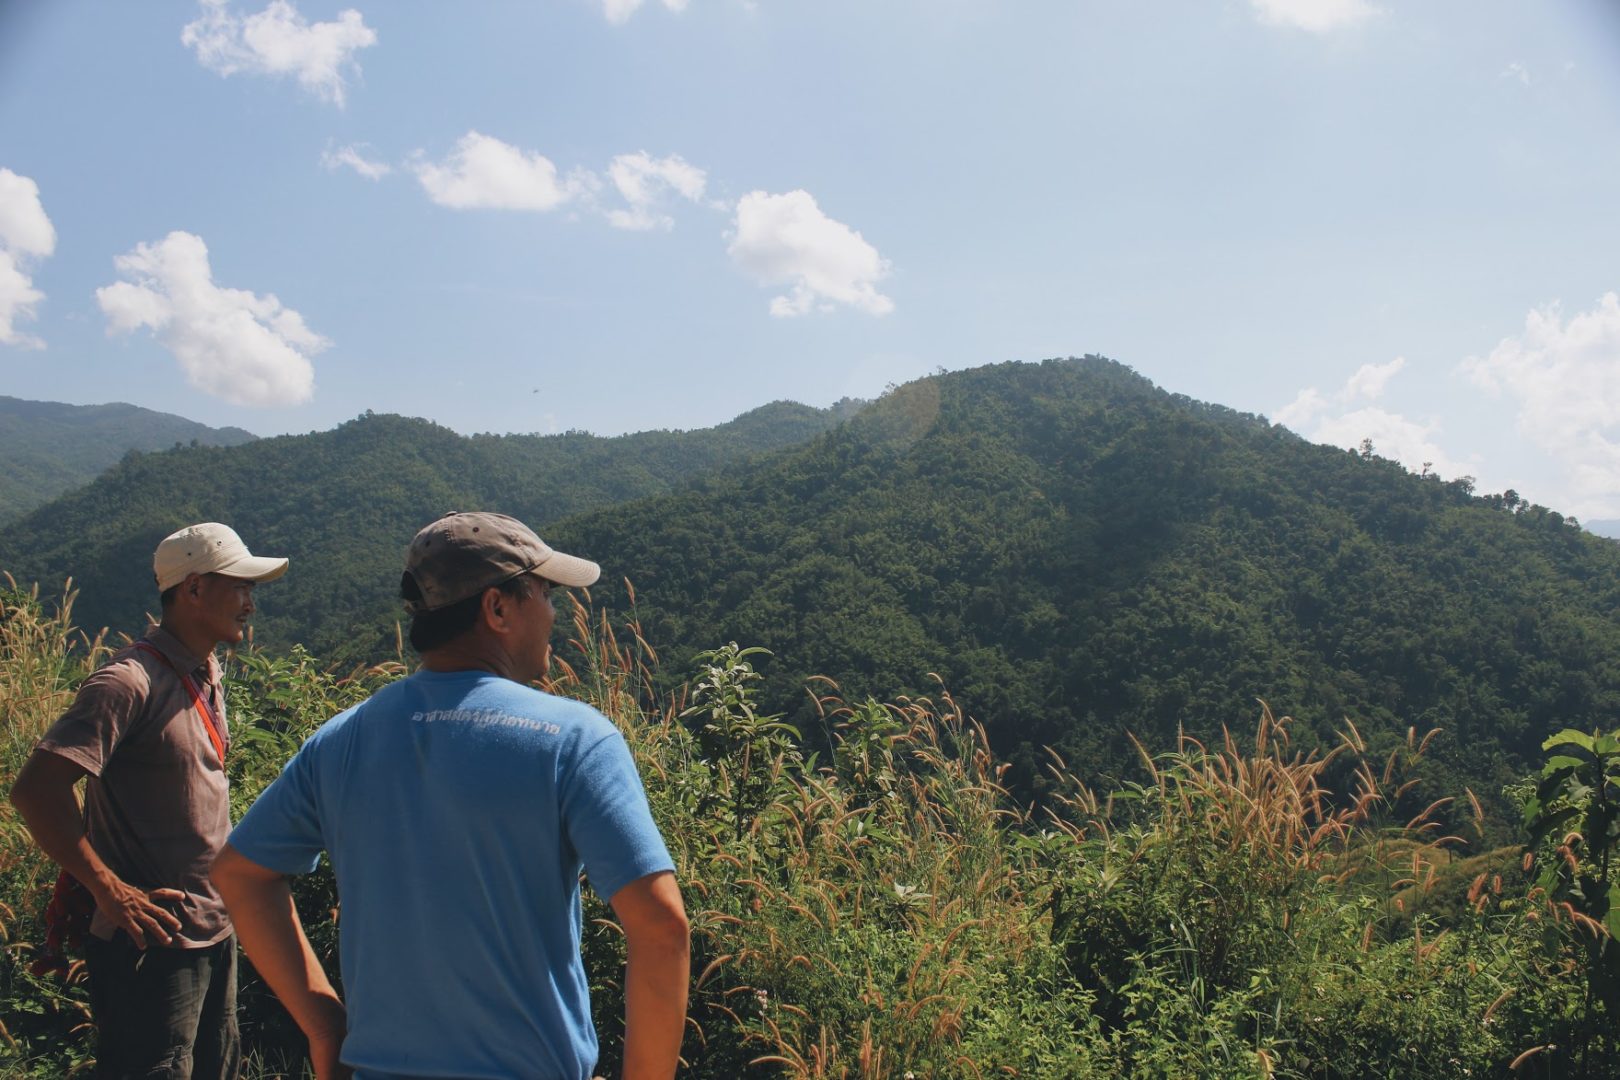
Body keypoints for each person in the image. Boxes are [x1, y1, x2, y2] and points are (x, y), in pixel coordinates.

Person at [212, 511, 689, 1080]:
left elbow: (241, 873)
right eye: (543, 593)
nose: (555, 614)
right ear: (498, 608)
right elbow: (661, 926)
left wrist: (323, 1026)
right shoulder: (574, 740)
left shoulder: (341, 740)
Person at [10, 522, 289, 1079]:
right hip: (152, 944)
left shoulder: (204, 670)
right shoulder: (127, 683)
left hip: (212, 926)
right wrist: (108, 890)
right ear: (193, 589)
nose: (250, 604)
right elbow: (36, 790)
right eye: (239, 586)